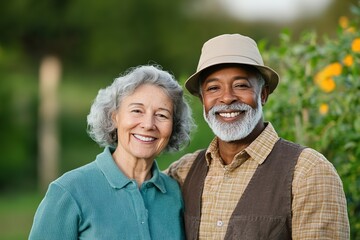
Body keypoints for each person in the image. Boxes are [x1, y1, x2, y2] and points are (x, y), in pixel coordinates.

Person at [166, 34, 350, 239]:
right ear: (203, 100)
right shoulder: (182, 172)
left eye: (241, 85)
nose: (227, 98)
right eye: (213, 88)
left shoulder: (308, 171)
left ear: (263, 94)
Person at [29, 65, 193, 239]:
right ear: (114, 116)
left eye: (162, 115)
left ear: (174, 126)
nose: (148, 124)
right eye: (137, 111)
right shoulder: (69, 191)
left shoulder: (176, 194)